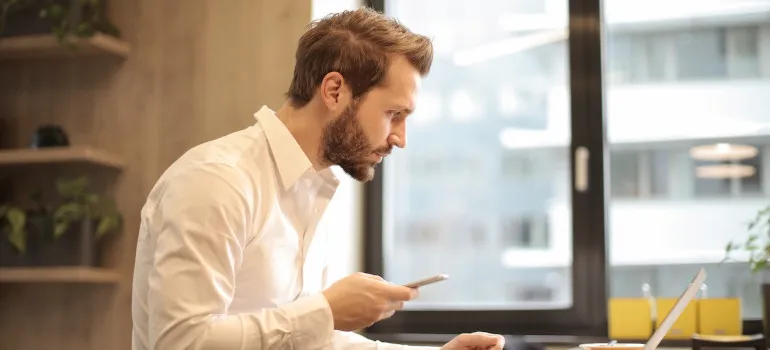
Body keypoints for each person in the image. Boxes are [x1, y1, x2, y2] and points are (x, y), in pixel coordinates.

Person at [131, 7, 505, 350]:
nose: (400, 139)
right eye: (394, 114)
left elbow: (308, 342)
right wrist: (325, 311)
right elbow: (180, 341)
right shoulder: (217, 181)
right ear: (334, 90)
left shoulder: (311, 191)